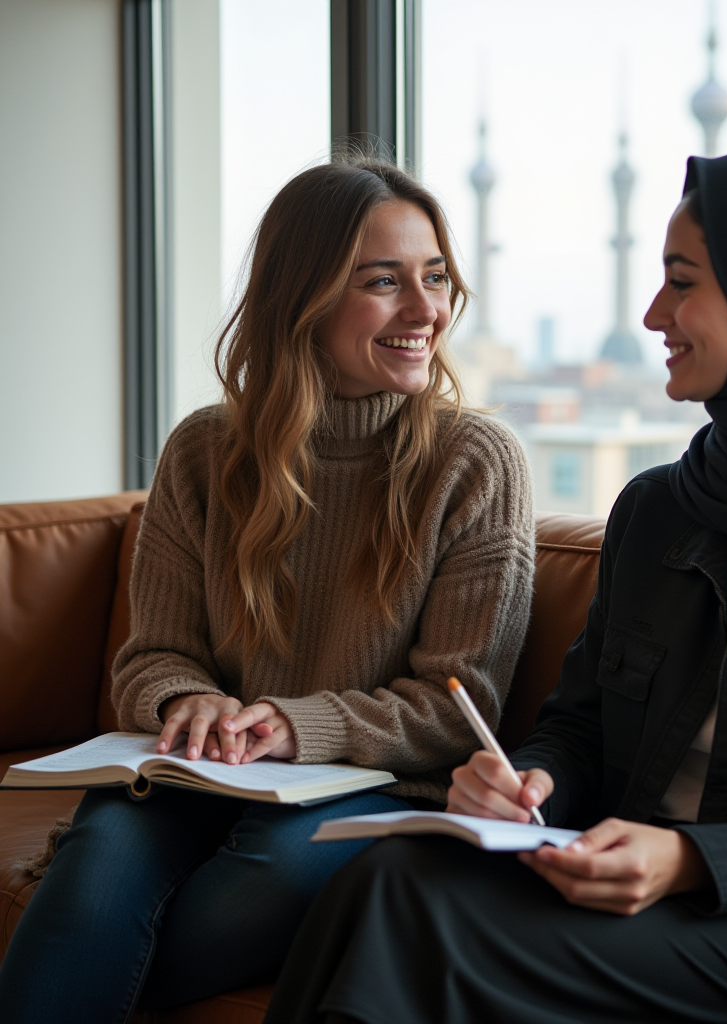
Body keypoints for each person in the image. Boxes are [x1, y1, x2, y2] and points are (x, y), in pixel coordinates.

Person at [263, 143, 727, 1024]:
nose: (654, 312)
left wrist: (692, 861)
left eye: (683, 282)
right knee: (391, 877)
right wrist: (531, 785)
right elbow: (579, 729)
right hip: (637, 891)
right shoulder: (663, 507)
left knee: (430, 924)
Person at [0, 158, 535, 1024]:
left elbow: (457, 706)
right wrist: (190, 700)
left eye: (434, 277)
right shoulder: (205, 450)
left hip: (368, 789)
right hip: (195, 778)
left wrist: (295, 725)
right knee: (98, 862)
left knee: (262, 877)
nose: (426, 309)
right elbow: (151, 658)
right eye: (383, 282)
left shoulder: (475, 461)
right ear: (305, 298)